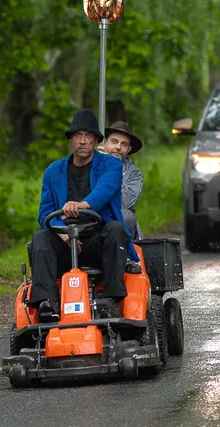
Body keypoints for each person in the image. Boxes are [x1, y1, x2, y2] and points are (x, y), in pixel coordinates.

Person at [30, 109, 138, 321]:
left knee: (116, 229)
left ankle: (112, 299)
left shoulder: (111, 165)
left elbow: (105, 190)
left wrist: (81, 205)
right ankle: (46, 303)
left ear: (96, 140)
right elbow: (45, 212)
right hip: (66, 238)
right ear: (71, 139)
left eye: (88, 136)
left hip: (97, 238)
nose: (82, 141)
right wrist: (63, 235)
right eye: (78, 136)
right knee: (40, 238)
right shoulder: (53, 171)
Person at [102, 121, 145, 239]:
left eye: (124, 144)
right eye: (114, 141)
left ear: (129, 149)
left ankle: (125, 256)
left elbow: (124, 203)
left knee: (126, 216)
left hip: (117, 219)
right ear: (105, 143)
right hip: (90, 214)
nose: (118, 147)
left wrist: (110, 169)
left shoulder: (135, 174)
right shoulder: (90, 163)